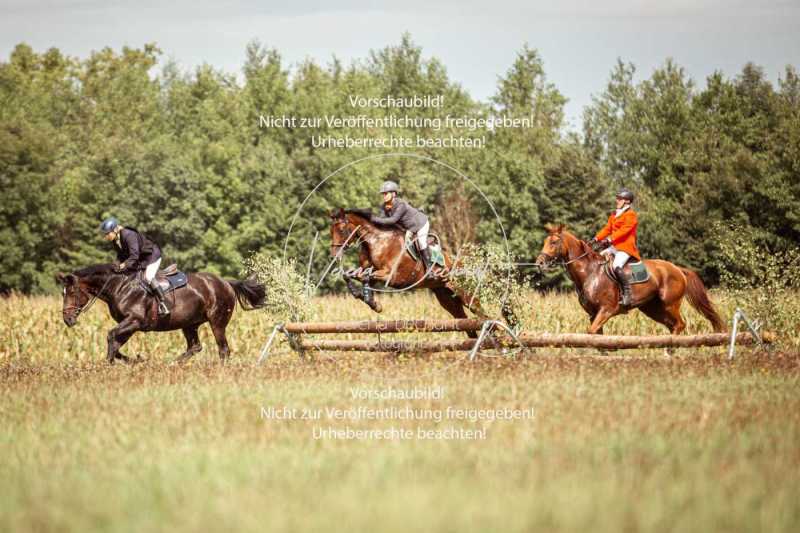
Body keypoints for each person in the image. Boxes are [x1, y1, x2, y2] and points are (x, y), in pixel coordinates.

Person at [100, 217, 170, 316]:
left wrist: (123, 265)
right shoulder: (115, 240)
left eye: (107, 233)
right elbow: (121, 255)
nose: (106, 236)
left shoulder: (129, 235)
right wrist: (115, 265)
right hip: (140, 259)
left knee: (148, 277)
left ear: (115, 230)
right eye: (105, 234)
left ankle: (163, 304)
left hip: (151, 256)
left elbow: (134, 256)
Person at [369, 180, 435, 274]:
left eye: (386, 193)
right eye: (383, 194)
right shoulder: (384, 206)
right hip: (408, 227)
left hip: (420, 224)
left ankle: (430, 269)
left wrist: (374, 219)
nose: (384, 196)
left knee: (421, 243)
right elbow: (383, 221)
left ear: (394, 194)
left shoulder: (401, 204)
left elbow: (392, 220)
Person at [589, 188, 641, 307]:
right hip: (614, 247)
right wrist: (596, 238)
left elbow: (625, 230)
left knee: (616, 265)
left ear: (627, 201)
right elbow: (607, 229)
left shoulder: (631, 215)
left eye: (619, 199)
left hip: (626, 248)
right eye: (617, 198)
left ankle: (627, 293)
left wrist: (610, 239)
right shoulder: (614, 214)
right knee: (597, 260)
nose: (616, 200)